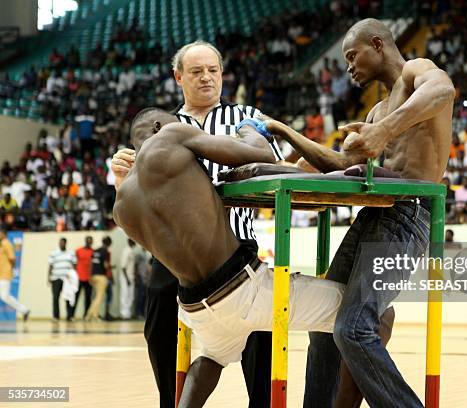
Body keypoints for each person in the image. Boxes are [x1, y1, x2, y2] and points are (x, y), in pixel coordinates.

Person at [263, 18, 454, 408]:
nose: (348, 66)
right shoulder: (375, 112)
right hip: (374, 215)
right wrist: (286, 132)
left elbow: (445, 90)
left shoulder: (417, 71)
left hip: (410, 215)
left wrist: (385, 130)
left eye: (353, 56)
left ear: (379, 44)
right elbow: (339, 160)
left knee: (352, 328)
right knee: (323, 327)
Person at [113, 108, 345, 407]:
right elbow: (259, 153)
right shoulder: (169, 136)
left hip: (195, 307)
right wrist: (249, 129)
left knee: (212, 358)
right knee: (370, 315)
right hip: (242, 288)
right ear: (159, 127)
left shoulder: (121, 206)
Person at [111, 41, 283, 408]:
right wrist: (120, 177)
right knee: (158, 320)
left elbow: (276, 163)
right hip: (177, 253)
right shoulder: (159, 128)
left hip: (237, 242)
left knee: (260, 328)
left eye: (213, 70)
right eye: (196, 71)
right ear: (178, 77)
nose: (207, 78)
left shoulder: (247, 115)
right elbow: (134, 200)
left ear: (222, 74)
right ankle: (168, 401)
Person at [0, 229, 29, 320]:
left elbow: (12, 258)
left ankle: (24, 310)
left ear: (3, 233)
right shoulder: (1, 244)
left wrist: (10, 269)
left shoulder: (6, 243)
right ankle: (24, 310)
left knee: (4, 296)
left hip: (5, 274)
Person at [48, 237, 76, 321]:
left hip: (67, 280)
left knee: (68, 297)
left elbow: (74, 265)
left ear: (65, 243)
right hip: (56, 278)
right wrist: (49, 277)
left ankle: (69, 316)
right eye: (60, 242)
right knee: (55, 297)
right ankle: (56, 316)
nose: (61, 244)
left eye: (63, 243)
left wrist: (73, 277)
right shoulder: (53, 253)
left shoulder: (71, 253)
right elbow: (50, 266)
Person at [85, 236, 112, 321]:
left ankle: (88, 315)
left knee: (96, 297)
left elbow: (91, 264)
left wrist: (90, 276)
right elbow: (105, 265)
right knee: (99, 297)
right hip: (101, 276)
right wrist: (111, 267)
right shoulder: (105, 252)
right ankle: (95, 315)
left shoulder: (95, 251)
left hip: (93, 275)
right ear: (109, 244)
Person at [74, 236, 94, 318]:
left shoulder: (93, 252)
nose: (89, 242)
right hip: (79, 277)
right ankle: (71, 315)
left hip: (88, 278)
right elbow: (74, 263)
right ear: (85, 241)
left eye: (91, 241)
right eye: (88, 241)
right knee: (75, 297)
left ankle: (86, 315)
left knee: (88, 298)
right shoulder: (78, 250)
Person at [120, 239, 136, 319]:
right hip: (126, 277)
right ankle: (124, 314)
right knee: (125, 295)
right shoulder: (126, 251)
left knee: (130, 296)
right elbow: (123, 267)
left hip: (131, 277)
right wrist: (127, 279)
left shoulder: (131, 251)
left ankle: (127, 314)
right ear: (130, 242)